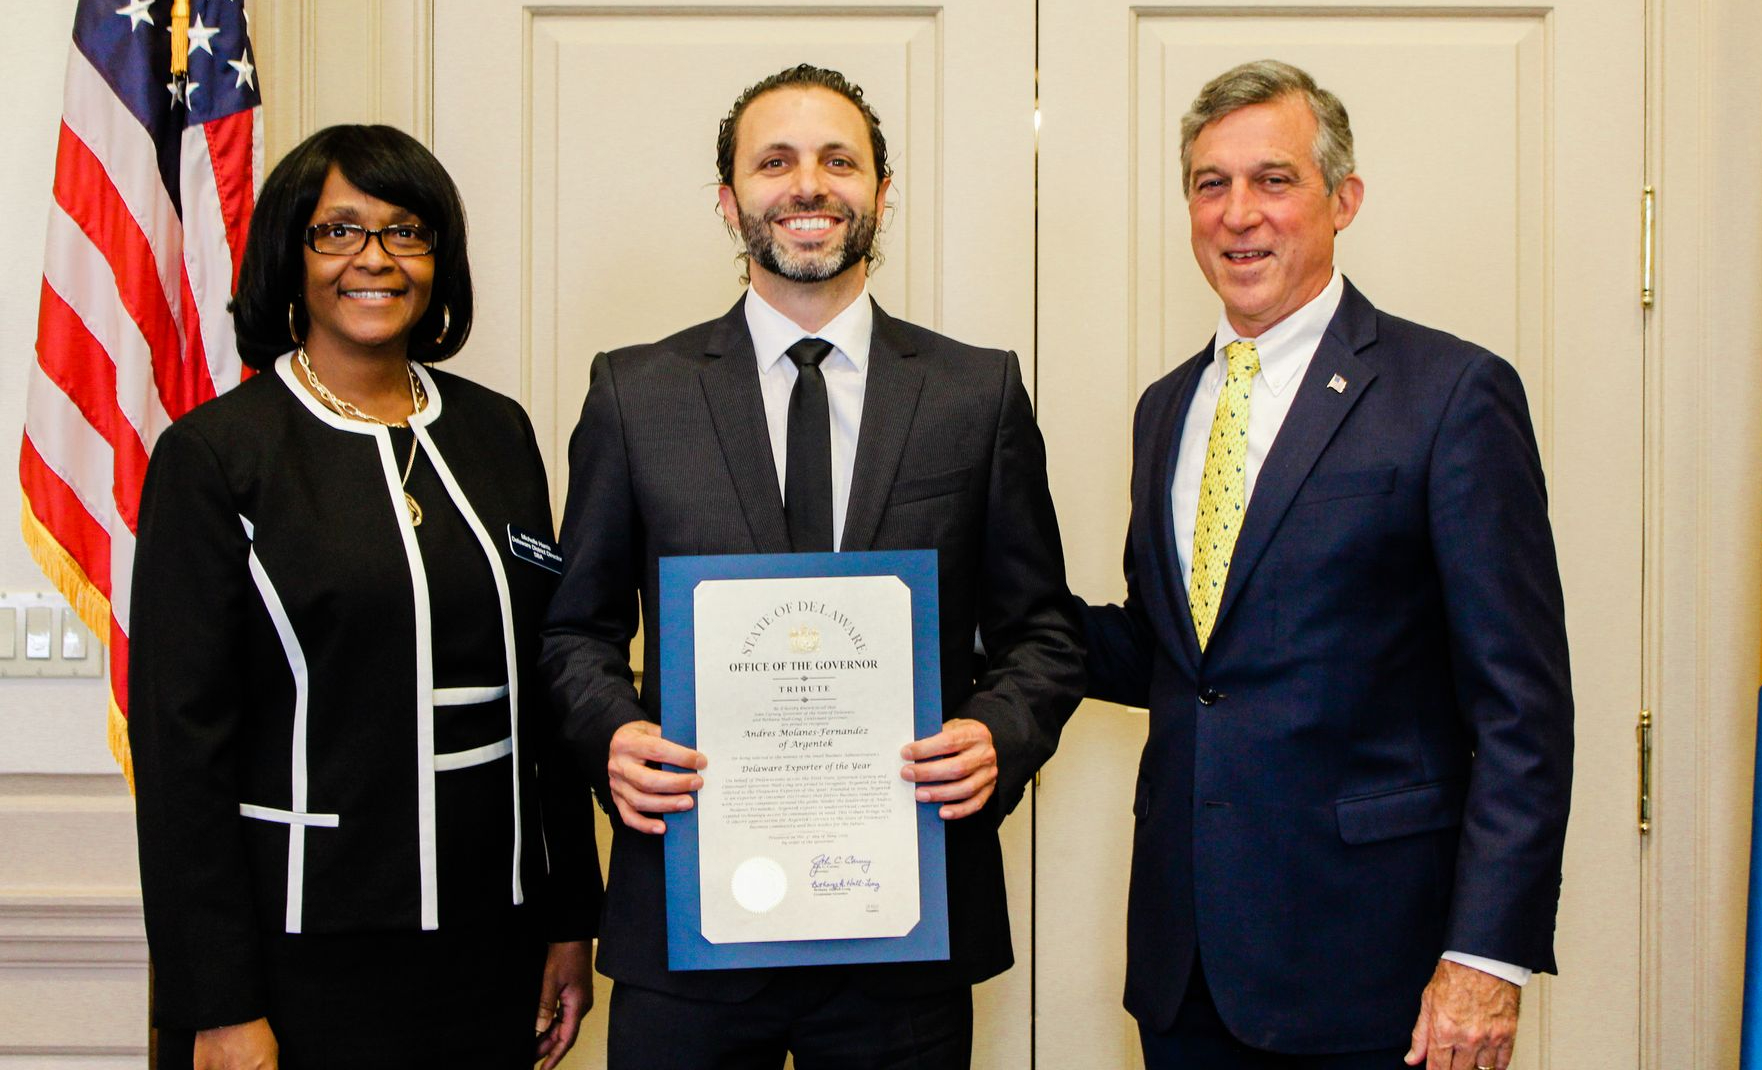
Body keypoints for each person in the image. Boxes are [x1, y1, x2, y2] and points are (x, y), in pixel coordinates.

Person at [539, 64, 1083, 1069]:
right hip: (688, 915)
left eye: (840, 161)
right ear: (727, 198)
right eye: (775, 160)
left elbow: (1044, 629)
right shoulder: (635, 393)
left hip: (901, 929)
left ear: (882, 193)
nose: (808, 185)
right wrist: (613, 735)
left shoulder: (977, 392)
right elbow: (575, 628)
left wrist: (997, 734)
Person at [1077, 61, 1574, 1070]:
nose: (1238, 213)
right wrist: (977, 601)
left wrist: (1487, 952)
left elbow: (1521, 705)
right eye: (1211, 184)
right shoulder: (1166, 408)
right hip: (1186, 968)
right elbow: (1179, 656)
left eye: (1274, 179)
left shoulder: (1450, 392)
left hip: (1376, 969)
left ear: (1342, 200)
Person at [129, 125, 602, 1069]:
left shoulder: (495, 432)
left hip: (489, 944)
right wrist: (219, 1003)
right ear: (288, 257)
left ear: (439, 259)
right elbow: (181, 753)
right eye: (338, 231)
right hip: (301, 955)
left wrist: (567, 921)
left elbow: (546, 702)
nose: (375, 259)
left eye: (406, 231)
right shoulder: (217, 455)